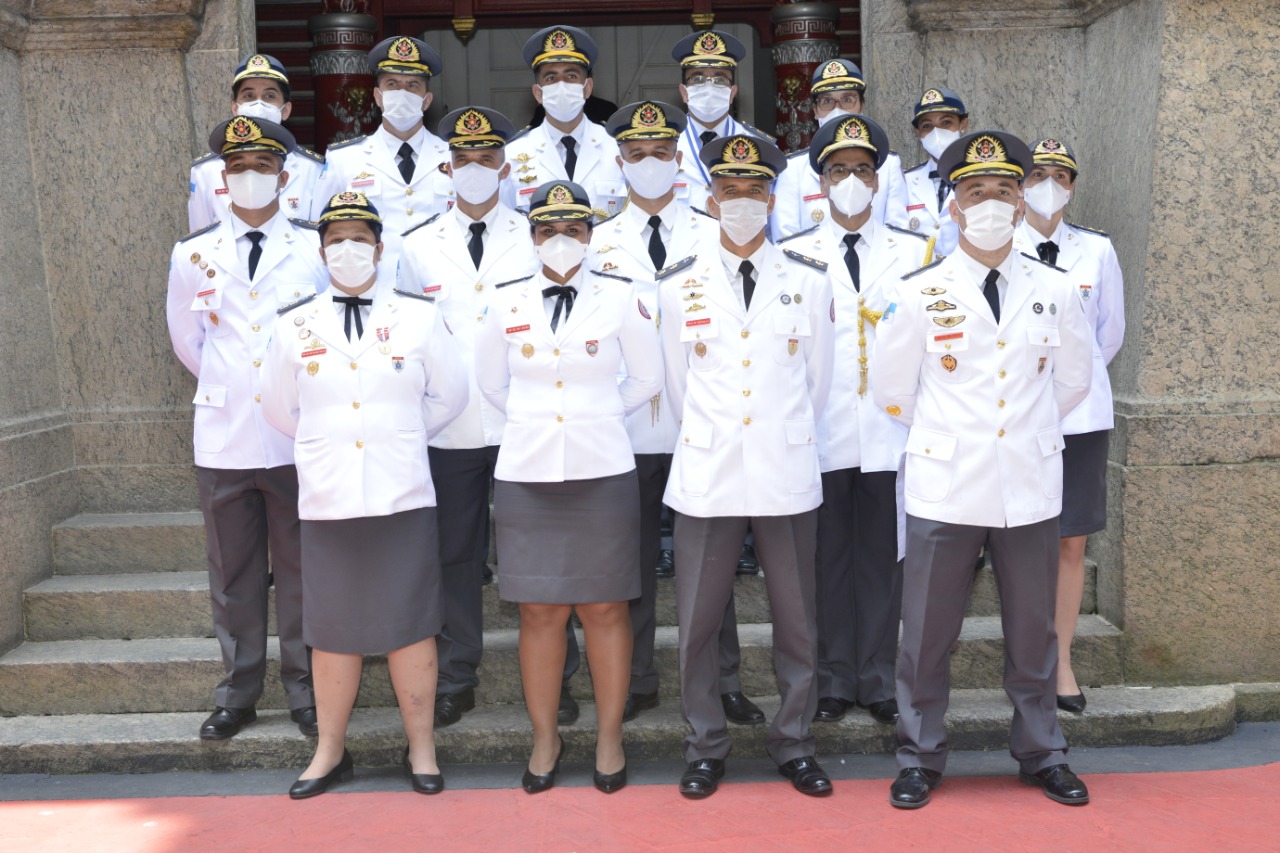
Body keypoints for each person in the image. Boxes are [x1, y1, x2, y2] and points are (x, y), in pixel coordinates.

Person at [872, 130, 1094, 809]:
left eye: (1004, 191)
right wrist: (959, 434)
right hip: (946, 484)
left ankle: (1041, 750)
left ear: (1023, 203)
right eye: (975, 192)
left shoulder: (1056, 289)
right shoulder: (916, 292)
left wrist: (1016, 433)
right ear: (952, 207)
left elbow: (1074, 381)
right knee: (927, 635)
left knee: (1033, 632)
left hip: (1028, 481)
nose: (991, 204)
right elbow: (893, 390)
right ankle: (919, 754)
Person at [262, 191, 467, 798]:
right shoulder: (293, 324)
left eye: (359, 239)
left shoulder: (419, 317)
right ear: (320, 250)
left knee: (411, 625)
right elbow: (280, 408)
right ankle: (329, 752)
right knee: (331, 630)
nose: (347, 249)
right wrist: (338, 444)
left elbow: (448, 397)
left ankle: (422, 749)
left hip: (401, 495)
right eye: (335, 239)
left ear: (381, 248)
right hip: (328, 500)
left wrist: (393, 439)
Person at [659, 133, 836, 799]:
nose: (742, 202)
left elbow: (815, 385)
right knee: (699, 619)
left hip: (785, 467)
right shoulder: (679, 284)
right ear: (710, 199)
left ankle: (794, 741)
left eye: (754, 190)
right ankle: (705, 743)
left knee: (796, 617)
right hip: (708, 469)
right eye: (729, 191)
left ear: (772, 197)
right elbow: (678, 388)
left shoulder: (808, 281)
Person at [475, 180, 664, 795]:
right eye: (548, 231)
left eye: (574, 231)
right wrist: (541, 426)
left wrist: (596, 416)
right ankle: (545, 738)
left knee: (606, 607)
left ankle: (610, 738)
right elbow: (493, 386)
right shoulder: (504, 302)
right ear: (532, 238)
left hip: (602, 469)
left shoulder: (621, 297)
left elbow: (647, 377)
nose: (561, 241)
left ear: (591, 236)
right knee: (539, 610)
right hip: (529, 473)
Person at [591, 100, 755, 725]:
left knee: (711, 564)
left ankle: (723, 679)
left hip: (702, 422)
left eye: (662, 153)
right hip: (623, 428)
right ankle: (636, 679)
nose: (651, 164)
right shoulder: (595, 239)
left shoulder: (713, 232)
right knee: (626, 561)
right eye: (638, 155)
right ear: (620, 162)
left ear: (679, 160)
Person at [166, 116, 323, 741]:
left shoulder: (315, 246)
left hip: (296, 436)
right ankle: (238, 691)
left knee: (302, 569)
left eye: (262, 167)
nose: (250, 178)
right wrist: (239, 386)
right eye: (238, 169)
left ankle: (307, 687)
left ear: (284, 178)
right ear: (222, 182)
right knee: (232, 572)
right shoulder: (192, 253)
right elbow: (189, 341)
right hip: (226, 434)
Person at [779, 114, 929, 727]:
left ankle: (878, 678)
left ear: (878, 179)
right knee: (827, 559)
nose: (851, 180)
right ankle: (834, 678)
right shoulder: (794, 253)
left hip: (892, 430)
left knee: (884, 559)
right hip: (823, 429)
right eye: (838, 171)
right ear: (820, 182)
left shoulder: (914, 248)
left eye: (862, 170)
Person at [398, 106, 539, 729]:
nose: (475, 170)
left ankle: (554, 676)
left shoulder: (538, 233)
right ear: (445, 166)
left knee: (533, 553)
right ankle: (457, 673)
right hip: (448, 427)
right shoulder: (414, 245)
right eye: (464, 160)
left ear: (505, 168)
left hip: (523, 422)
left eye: (487, 160)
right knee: (454, 554)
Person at [1013, 137, 1125, 713]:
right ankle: (1024, 659)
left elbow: (1107, 337)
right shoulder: (999, 245)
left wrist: (1068, 388)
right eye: (1036, 173)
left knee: (1071, 544)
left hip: (1079, 416)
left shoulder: (1097, 251)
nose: (1048, 184)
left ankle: (1062, 663)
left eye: (1059, 175)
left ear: (1073, 186)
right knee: (1020, 540)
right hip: (1018, 414)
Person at [313, 36, 452, 264]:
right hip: (374, 284)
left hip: (437, 281)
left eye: (412, 86)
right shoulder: (344, 159)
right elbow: (320, 227)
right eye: (392, 85)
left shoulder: (452, 156)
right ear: (378, 96)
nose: (402, 93)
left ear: (426, 101)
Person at [768, 59, 909, 238]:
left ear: (862, 106)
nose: (837, 109)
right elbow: (785, 240)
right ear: (815, 110)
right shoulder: (793, 169)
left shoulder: (888, 164)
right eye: (827, 101)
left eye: (847, 100)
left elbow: (898, 235)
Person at [188, 54, 325, 230]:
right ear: (235, 107)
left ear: (286, 110)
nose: (258, 104)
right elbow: (201, 239)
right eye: (249, 96)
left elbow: (319, 239)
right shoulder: (205, 171)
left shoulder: (313, 169)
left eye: (269, 96)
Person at [505, 26, 627, 221]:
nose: (561, 85)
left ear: (587, 88)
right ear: (538, 93)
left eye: (571, 77)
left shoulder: (618, 149)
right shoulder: (511, 154)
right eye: (551, 78)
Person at [670, 30, 772, 212]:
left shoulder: (761, 146)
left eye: (719, 79)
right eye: (698, 79)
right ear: (684, 92)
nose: (709, 87)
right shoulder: (663, 146)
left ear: (732, 92)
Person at [901, 87, 970, 257]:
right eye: (927, 126)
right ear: (918, 133)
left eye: (946, 123)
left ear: (963, 124)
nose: (937, 132)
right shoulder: (905, 182)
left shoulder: (982, 178)